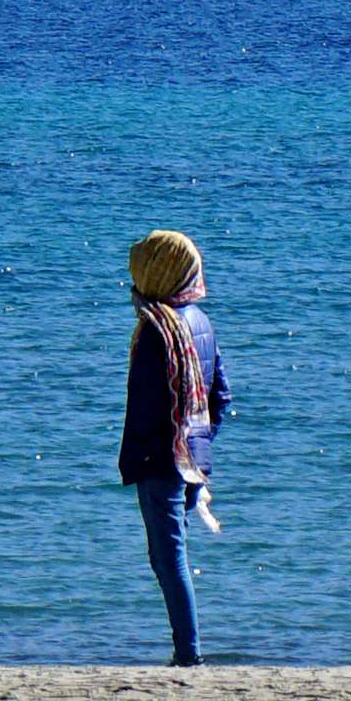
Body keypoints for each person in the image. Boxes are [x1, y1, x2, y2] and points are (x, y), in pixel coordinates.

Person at [115, 229, 230, 666]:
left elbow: (145, 405)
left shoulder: (155, 330)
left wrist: (144, 457)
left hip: (161, 462)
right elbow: (221, 397)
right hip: (191, 460)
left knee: (169, 559)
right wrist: (198, 443)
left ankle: (188, 655)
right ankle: (186, 650)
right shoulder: (200, 321)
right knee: (167, 556)